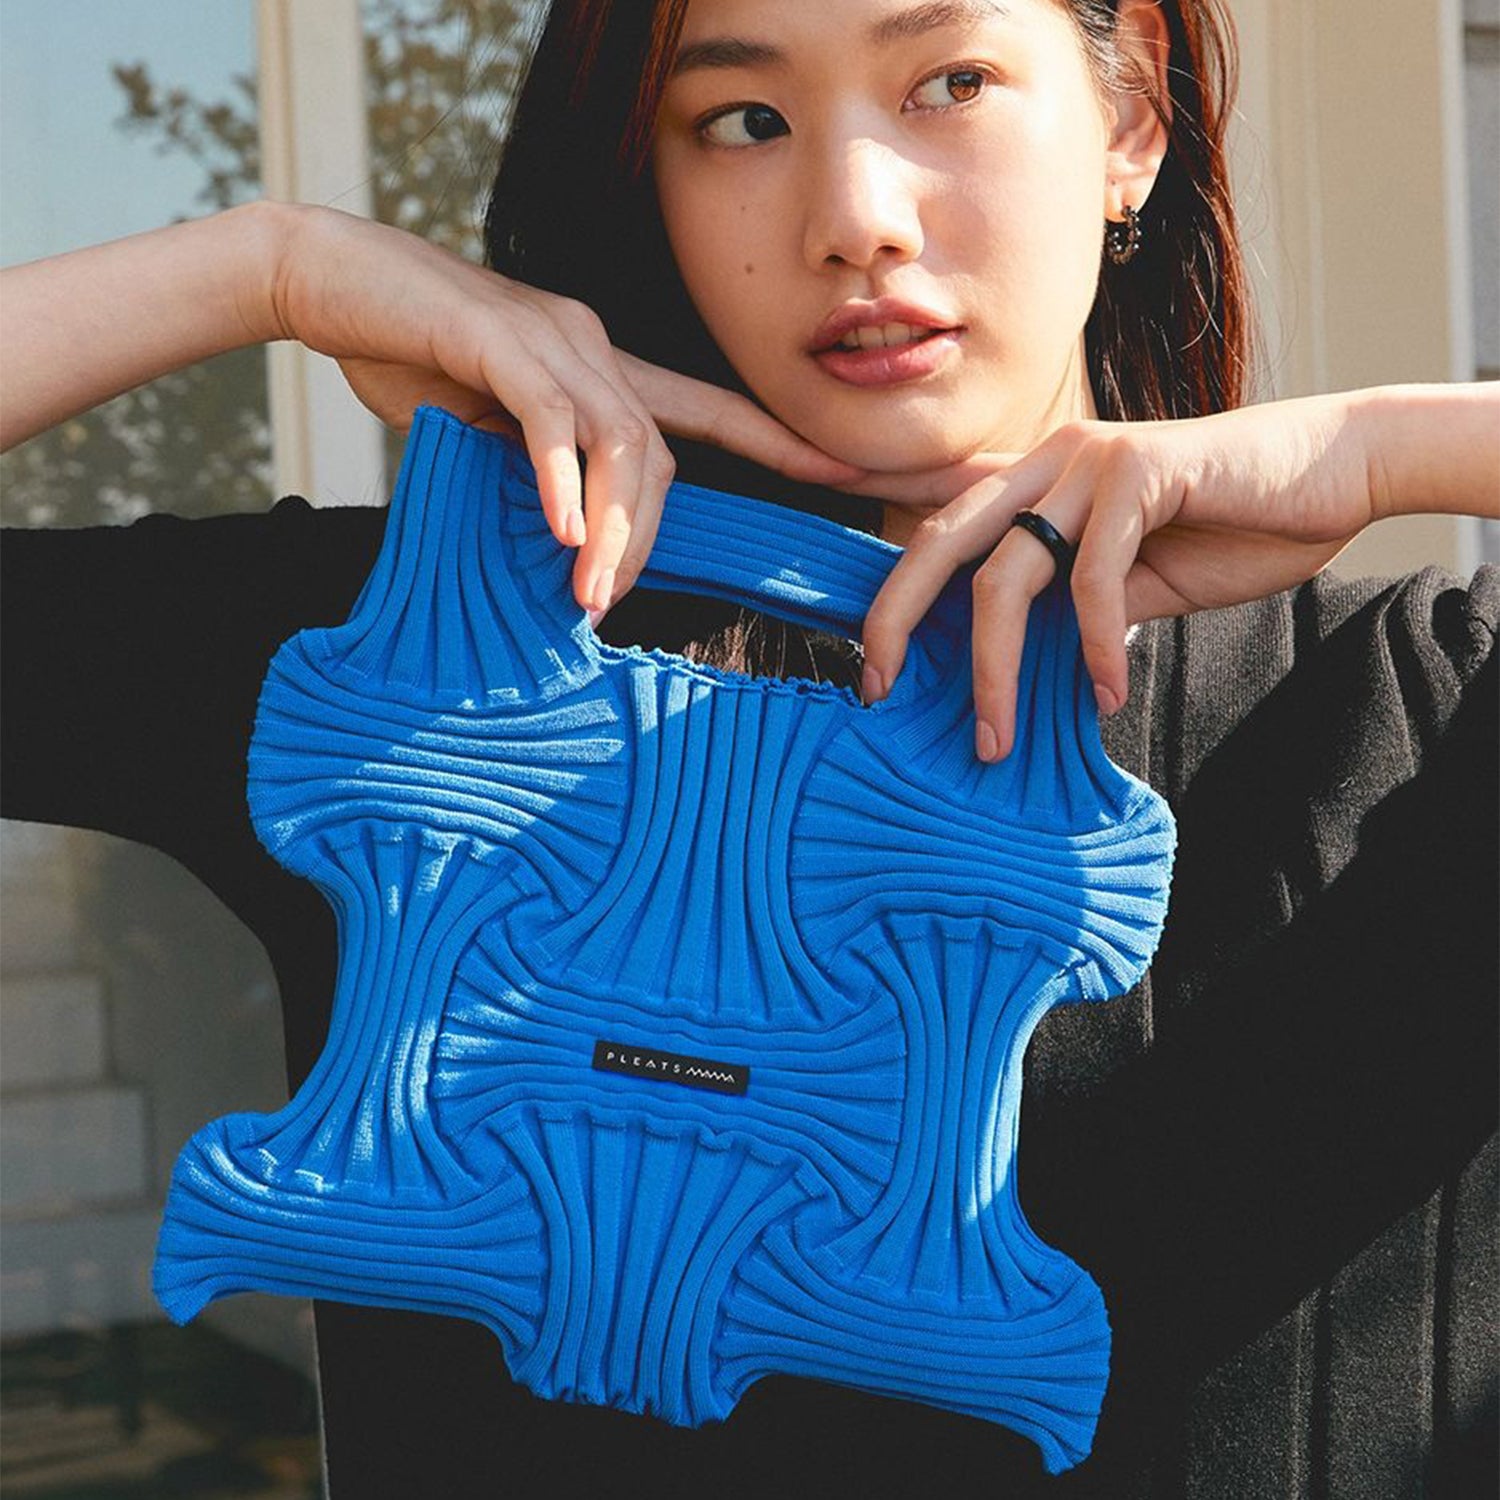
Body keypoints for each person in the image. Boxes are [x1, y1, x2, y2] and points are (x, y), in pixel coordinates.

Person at [2, 0, 1495, 1494]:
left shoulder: (1417, 709)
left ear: (1132, 115)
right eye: (743, 121)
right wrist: (266, 267)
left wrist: (1382, 450)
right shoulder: (407, 675)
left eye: (952, 82)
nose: (854, 218)